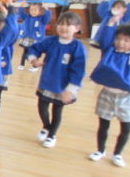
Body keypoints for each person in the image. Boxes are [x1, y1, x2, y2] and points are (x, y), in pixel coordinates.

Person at [27, 12, 87, 148]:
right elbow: (34, 48)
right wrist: (34, 59)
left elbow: (79, 71)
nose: (63, 27)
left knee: (57, 111)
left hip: (62, 86)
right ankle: (46, 127)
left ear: (77, 28)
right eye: (61, 24)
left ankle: (51, 135)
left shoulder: (77, 47)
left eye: (68, 25)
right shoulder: (51, 41)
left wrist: (70, 90)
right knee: (42, 107)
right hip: (46, 82)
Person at [88, 23, 130, 167]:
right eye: (119, 39)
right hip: (107, 95)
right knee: (103, 125)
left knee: (126, 128)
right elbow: (106, 37)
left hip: (126, 98)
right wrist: (111, 23)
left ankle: (117, 154)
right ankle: (100, 150)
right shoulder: (109, 51)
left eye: (126, 40)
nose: (121, 43)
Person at [16, 2, 52, 71]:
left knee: (35, 53)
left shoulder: (42, 19)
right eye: (31, 10)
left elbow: (47, 17)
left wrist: (47, 9)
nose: (33, 12)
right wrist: (21, 6)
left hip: (36, 39)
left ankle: (35, 66)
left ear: (39, 11)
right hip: (26, 38)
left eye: (35, 10)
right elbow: (21, 13)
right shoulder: (26, 17)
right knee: (25, 52)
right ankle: (22, 65)